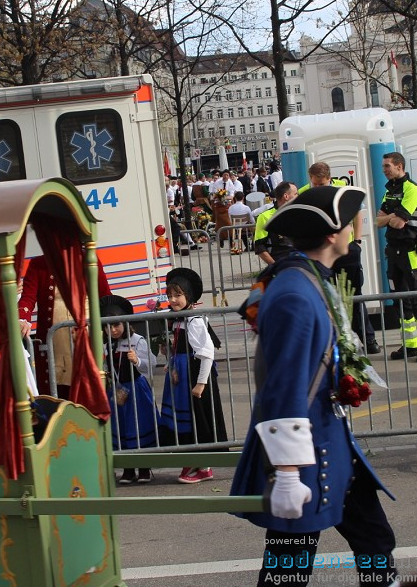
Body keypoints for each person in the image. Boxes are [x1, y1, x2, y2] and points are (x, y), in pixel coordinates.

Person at [230, 185, 397, 587]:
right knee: (289, 563)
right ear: (330, 235)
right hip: (307, 448)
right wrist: (287, 473)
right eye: (348, 224)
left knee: (374, 539)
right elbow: (284, 386)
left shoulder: (307, 279)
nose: (354, 231)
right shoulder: (295, 294)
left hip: (328, 437)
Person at [158, 267, 227, 483]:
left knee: (200, 418)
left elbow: (206, 354)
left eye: (177, 295)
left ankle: (204, 467)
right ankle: (192, 458)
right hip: (181, 377)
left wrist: (200, 384)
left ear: (188, 296)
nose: (173, 300)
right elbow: (178, 346)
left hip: (195, 376)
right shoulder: (177, 319)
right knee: (184, 419)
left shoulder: (194, 320)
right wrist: (168, 355)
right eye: (169, 296)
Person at [301, 162, 378, 353]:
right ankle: (336, 342)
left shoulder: (343, 190)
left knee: (354, 295)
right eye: (314, 184)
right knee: (326, 296)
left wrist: (357, 242)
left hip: (345, 250)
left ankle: (368, 339)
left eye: (321, 184)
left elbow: (357, 215)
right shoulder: (305, 193)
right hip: (322, 252)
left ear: (330, 178)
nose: (317, 188)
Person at [18, 254, 112, 398]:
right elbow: (28, 298)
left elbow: (104, 296)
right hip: (53, 346)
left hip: (86, 340)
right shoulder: (38, 264)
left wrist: (115, 323)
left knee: (91, 393)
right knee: (56, 395)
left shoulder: (88, 258)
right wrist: (22, 319)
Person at [379, 152, 417, 362]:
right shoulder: (390, 190)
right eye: (383, 166)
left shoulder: (411, 189)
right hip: (392, 251)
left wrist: (390, 218)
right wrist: (390, 217)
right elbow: (379, 220)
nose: (384, 169)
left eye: (387, 166)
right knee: (400, 300)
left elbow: (399, 223)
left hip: (409, 251)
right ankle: (411, 345)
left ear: (399, 166)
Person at [101, 294, 157, 482]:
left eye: (116, 325)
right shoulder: (106, 345)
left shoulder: (137, 340)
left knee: (138, 426)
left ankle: (144, 468)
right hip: (117, 393)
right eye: (108, 326)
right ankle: (127, 469)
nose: (113, 330)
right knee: (122, 429)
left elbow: (152, 364)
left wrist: (137, 360)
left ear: (125, 323)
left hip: (136, 390)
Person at [253, 181, 298, 266]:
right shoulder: (265, 216)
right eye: (296, 194)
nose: (298, 196)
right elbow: (260, 248)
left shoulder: (299, 214)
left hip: (301, 265)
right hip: (281, 265)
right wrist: (275, 266)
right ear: (286, 196)